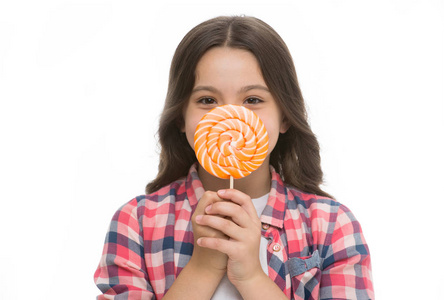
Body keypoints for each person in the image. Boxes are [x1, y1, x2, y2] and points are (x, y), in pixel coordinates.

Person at [94, 16, 374, 299]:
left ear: (285, 115)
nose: (230, 118)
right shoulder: (136, 223)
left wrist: (252, 276)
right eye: (207, 101)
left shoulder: (331, 224)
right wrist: (203, 267)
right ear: (180, 116)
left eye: (252, 100)